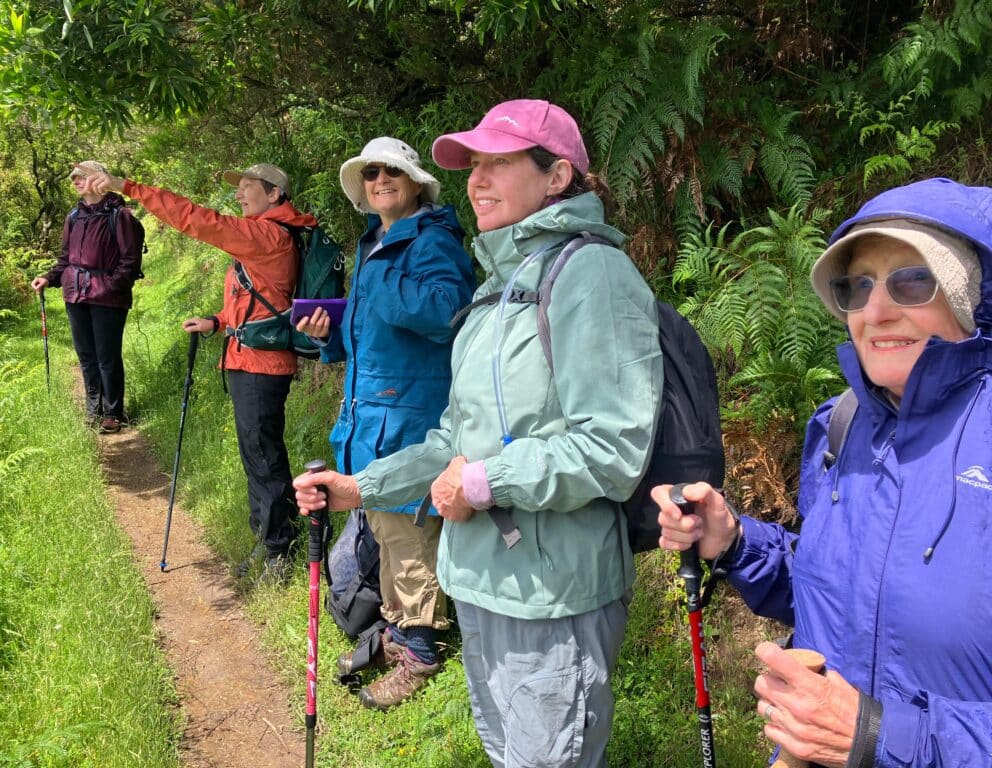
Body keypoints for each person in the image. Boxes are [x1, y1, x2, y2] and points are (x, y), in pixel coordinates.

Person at [294, 99, 662, 766]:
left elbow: (613, 447)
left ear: (557, 178)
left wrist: (483, 481)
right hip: (484, 580)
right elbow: (454, 439)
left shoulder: (591, 275)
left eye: (498, 162)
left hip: (553, 595)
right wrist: (360, 486)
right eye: (473, 164)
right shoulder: (498, 288)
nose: (477, 178)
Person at [653, 177, 992, 767]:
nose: (876, 310)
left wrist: (875, 736)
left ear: (970, 294)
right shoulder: (843, 425)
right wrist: (732, 542)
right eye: (856, 287)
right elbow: (840, 597)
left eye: (912, 281)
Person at [295, 136, 475, 709]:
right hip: (369, 415)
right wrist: (329, 336)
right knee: (386, 531)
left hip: (412, 418)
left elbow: (450, 311)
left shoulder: (432, 240)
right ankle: (396, 635)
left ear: (416, 181)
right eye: (371, 174)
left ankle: (420, 652)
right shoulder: (375, 241)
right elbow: (370, 336)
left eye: (391, 172)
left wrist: (379, 280)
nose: (379, 181)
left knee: (409, 531)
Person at [87, 162, 315, 585]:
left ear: (275, 195)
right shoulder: (268, 236)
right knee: (257, 455)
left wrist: (128, 187)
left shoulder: (267, 235)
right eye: (240, 186)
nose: (240, 194)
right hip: (250, 361)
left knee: (263, 457)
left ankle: (279, 552)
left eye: (249, 187)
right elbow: (260, 299)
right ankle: (269, 540)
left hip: (261, 366)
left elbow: (196, 220)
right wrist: (218, 321)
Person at [30, 160, 143, 434]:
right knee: (86, 356)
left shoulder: (121, 215)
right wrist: (49, 277)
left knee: (107, 356)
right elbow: (66, 258)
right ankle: (93, 409)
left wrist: (112, 286)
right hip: (75, 294)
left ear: (98, 179)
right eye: (73, 178)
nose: (75, 181)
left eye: (81, 176)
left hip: (107, 296)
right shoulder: (74, 217)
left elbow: (130, 260)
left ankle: (113, 412)